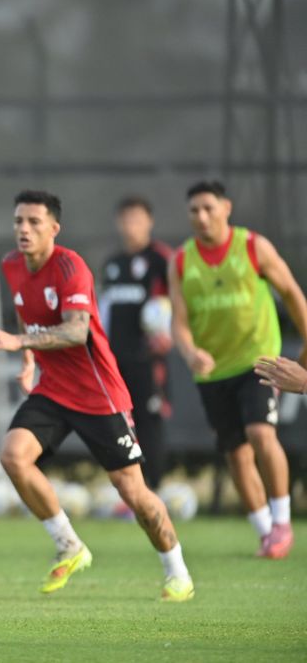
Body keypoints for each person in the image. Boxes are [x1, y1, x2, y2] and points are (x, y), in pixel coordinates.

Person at [0, 190, 194, 602]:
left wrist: (18, 341)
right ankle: (69, 544)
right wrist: (28, 359)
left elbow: (77, 331)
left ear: (54, 229)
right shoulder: (11, 264)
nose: (24, 229)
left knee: (133, 492)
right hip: (53, 389)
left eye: (34, 222)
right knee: (13, 456)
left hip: (99, 394)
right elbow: (26, 310)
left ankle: (177, 570)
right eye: (19, 221)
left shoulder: (70, 266)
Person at [169, 180, 307, 559]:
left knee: (260, 433)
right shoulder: (181, 261)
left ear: (226, 208)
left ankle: (282, 522)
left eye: (208, 208)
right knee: (236, 454)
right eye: (194, 210)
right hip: (212, 371)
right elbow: (178, 321)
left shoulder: (252, 246)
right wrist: (190, 351)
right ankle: (265, 532)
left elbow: (292, 293)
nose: (201, 217)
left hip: (257, 359)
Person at [99, 196, 174, 489]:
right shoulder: (112, 264)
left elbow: (180, 301)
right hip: (115, 361)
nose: (131, 224)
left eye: (138, 219)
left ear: (149, 222)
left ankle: (154, 488)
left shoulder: (161, 259)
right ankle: (129, 491)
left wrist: (170, 332)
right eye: (126, 218)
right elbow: (104, 311)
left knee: (149, 422)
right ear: (119, 222)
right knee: (118, 425)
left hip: (148, 361)